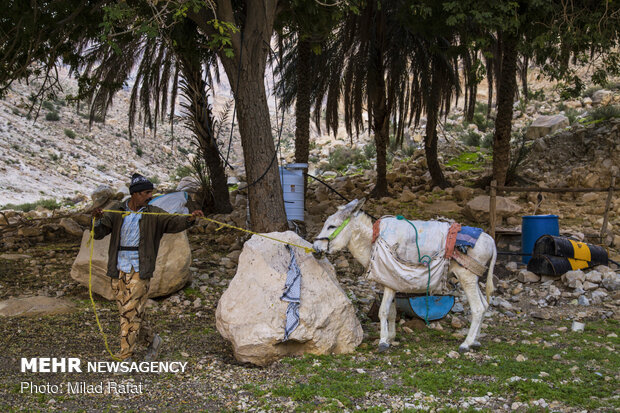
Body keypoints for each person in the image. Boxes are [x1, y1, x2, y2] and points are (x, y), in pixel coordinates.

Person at [92, 173, 204, 361]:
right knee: (129, 313)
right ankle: (153, 341)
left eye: (150, 192)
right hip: (118, 268)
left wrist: (190, 219)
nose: (149, 196)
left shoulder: (154, 213)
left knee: (128, 313)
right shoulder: (117, 211)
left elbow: (174, 222)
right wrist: (97, 219)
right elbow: (100, 232)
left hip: (140, 269)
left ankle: (125, 357)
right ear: (134, 194)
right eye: (145, 193)